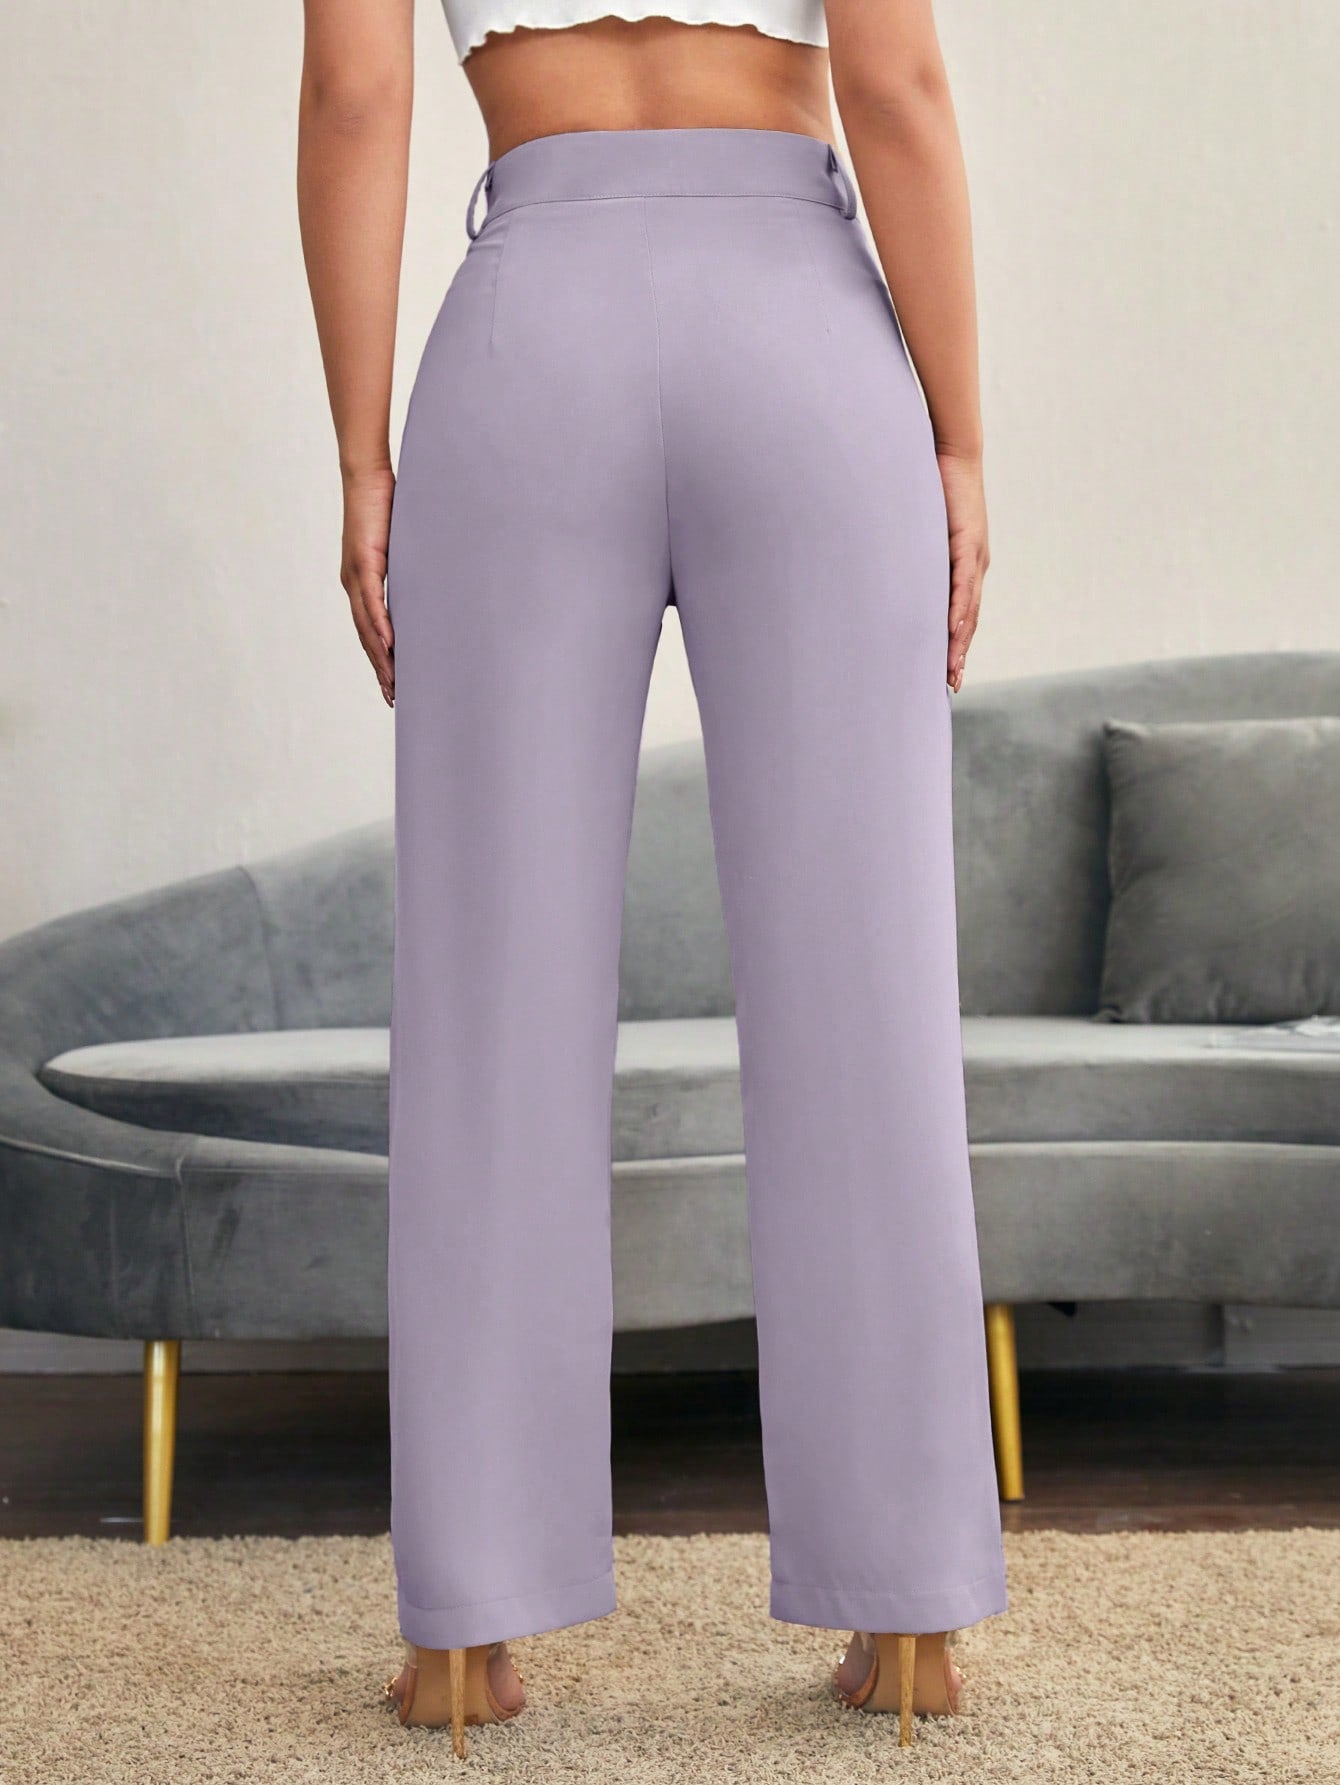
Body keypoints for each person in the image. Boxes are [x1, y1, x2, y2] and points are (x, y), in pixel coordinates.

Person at [297, 0, 1007, 1757]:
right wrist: (961, 436)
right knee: (865, 988)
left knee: (490, 1001)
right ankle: (909, 1614)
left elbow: (357, 91)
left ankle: (464, 1633)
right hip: (804, 332)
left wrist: (363, 455)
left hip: (529, 334)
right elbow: (899, 84)